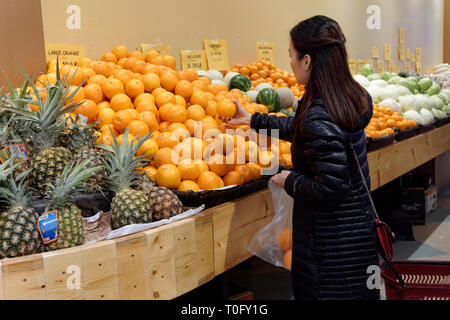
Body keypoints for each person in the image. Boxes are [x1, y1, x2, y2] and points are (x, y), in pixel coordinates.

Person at [221, 16, 380, 300]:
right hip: (355, 232)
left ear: (307, 60)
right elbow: (303, 129)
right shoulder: (348, 96)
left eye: (291, 56)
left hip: (330, 247)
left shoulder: (321, 110)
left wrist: (288, 179)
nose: (290, 64)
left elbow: (329, 187)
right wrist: (252, 120)